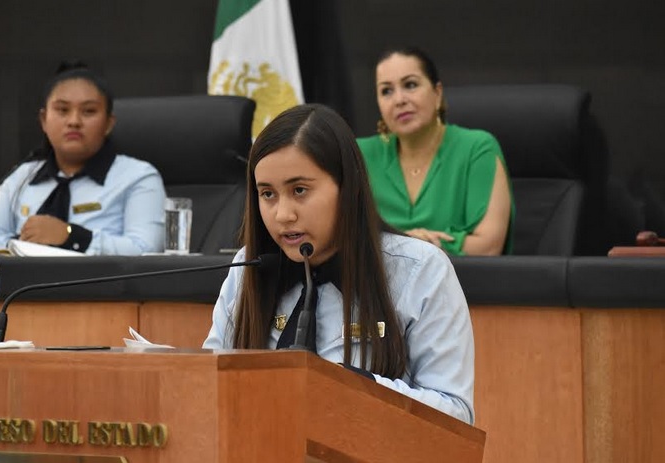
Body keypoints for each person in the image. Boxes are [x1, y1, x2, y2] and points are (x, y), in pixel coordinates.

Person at [202, 104, 475, 424]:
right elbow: (208, 386)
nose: (283, 214)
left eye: (299, 190)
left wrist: (351, 387)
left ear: (347, 187)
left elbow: (456, 416)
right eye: (268, 194)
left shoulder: (420, 269)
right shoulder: (248, 267)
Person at [0, 61, 166, 255]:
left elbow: (146, 249)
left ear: (108, 124)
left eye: (89, 111)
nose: (74, 121)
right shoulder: (23, 176)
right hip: (25, 278)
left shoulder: (138, 177)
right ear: (44, 120)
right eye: (62, 110)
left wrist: (71, 237)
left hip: (100, 279)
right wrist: (22, 245)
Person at [357, 47, 513, 255]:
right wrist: (411, 243)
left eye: (410, 85)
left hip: (462, 276)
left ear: (437, 93)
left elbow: (489, 247)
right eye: (386, 91)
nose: (399, 100)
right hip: (379, 277)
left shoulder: (477, 148)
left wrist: (416, 246)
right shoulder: (359, 154)